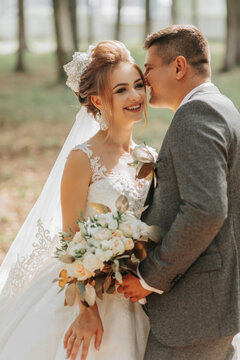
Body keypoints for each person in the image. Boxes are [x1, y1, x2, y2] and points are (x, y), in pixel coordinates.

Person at [0, 40, 151, 360]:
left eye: (138, 85)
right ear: (98, 100)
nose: (136, 96)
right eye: (121, 90)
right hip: (86, 291)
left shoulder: (147, 157)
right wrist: (86, 309)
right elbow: (70, 237)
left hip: (132, 291)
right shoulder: (82, 158)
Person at [119, 25, 240, 360]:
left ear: (178, 66)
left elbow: (206, 209)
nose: (144, 79)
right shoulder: (221, 106)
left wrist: (150, 276)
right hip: (211, 304)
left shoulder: (196, 115)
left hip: (192, 311)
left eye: (148, 68)